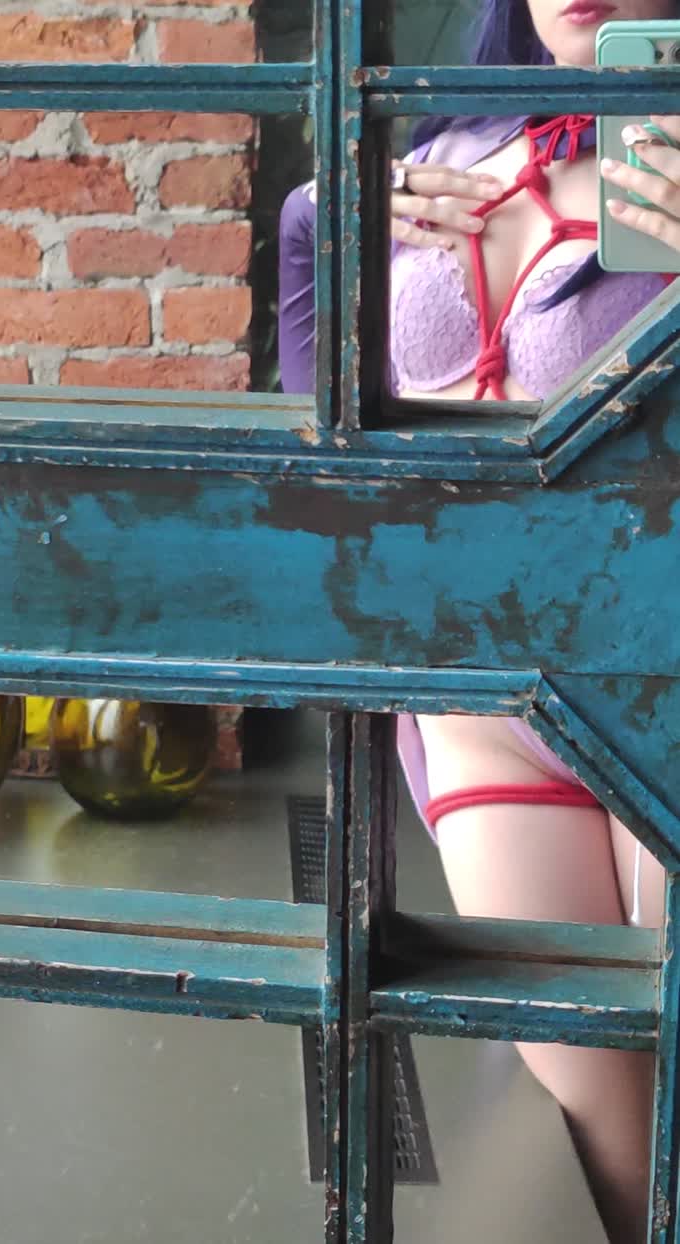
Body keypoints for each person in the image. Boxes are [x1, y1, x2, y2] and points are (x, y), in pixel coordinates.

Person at [278, 3, 680, 1240]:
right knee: (600, 1127)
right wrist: (316, 220)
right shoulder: (444, 140)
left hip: (658, 691)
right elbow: (326, 437)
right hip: (483, 702)